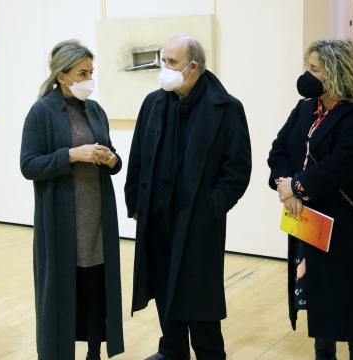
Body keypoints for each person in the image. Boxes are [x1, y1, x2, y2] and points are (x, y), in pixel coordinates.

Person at [267, 39, 353, 360]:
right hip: (310, 221)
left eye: (314, 69)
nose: (307, 75)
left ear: (337, 73)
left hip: (350, 227)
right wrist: (286, 188)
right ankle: (323, 353)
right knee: (320, 301)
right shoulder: (305, 108)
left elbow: (341, 166)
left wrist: (296, 187)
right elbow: (280, 148)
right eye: (308, 67)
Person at [125, 34, 252, 360]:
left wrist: (212, 207)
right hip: (158, 219)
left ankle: (210, 354)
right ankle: (171, 351)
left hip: (197, 223)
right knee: (164, 291)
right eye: (162, 60)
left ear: (193, 67)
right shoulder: (154, 102)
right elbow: (138, 154)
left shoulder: (226, 108)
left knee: (200, 303)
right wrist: (136, 203)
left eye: (170, 62)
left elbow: (237, 170)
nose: (163, 68)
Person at [20, 39, 124, 360]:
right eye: (82, 72)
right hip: (63, 219)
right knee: (63, 292)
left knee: (95, 290)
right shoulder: (41, 112)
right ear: (62, 74)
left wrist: (111, 159)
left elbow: (113, 157)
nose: (89, 79)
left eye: (91, 72)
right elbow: (29, 165)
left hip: (96, 216)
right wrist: (70, 155)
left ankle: (95, 352)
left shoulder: (95, 110)